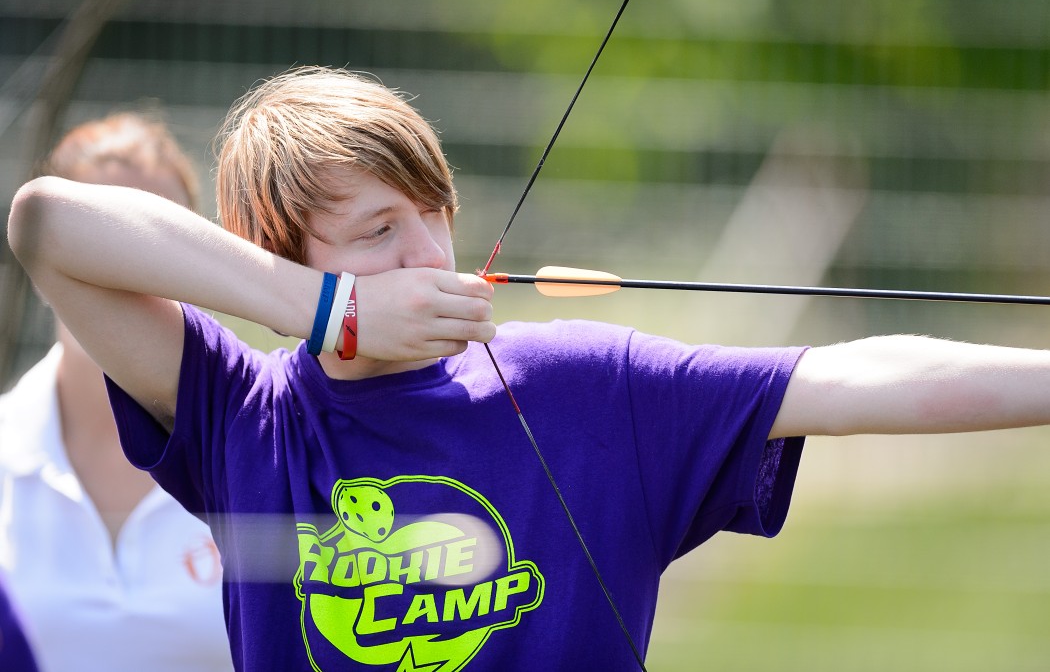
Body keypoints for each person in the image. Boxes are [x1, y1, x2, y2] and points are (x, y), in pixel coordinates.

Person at [8, 66, 1050, 671]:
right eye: (374, 231)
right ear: (283, 257)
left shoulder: (590, 384)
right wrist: (332, 311)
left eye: (433, 213)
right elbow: (48, 224)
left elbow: (856, 377)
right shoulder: (247, 416)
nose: (425, 253)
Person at [0, 112, 234, 672]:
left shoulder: (261, 449)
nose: (131, 274)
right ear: (42, 265)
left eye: (162, 243)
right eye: (95, 244)